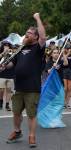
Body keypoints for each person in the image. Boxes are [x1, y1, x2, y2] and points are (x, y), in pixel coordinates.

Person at [0, 13, 46, 148]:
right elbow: (11, 64)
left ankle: (31, 136)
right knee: (16, 113)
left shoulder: (38, 48)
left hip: (32, 88)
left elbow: (43, 37)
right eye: (26, 33)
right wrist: (3, 66)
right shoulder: (20, 49)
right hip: (19, 87)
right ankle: (17, 131)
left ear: (35, 37)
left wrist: (38, 18)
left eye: (30, 33)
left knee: (31, 114)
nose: (27, 35)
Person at [0, 42, 15, 111]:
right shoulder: (1, 53)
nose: (6, 47)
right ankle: (1, 102)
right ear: (3, 46)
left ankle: (7, 105)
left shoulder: (12, 54)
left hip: (10, 74)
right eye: (5, 46)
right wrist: (3, 53)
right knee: (1, 90)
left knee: (9, 90)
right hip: (2, 74)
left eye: (8, 46)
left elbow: (14, 62)